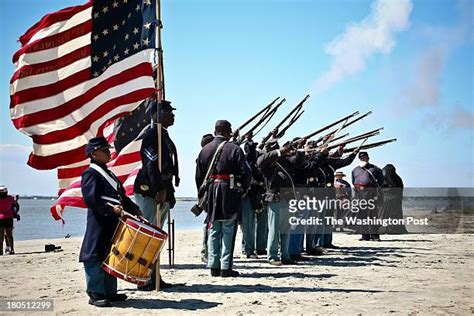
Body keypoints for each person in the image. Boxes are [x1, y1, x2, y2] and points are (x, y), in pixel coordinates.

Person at [80, 137, 142, 307]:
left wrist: (134, 208)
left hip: (113, 221)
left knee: (110, 254)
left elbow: (121, 196)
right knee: (94, 255)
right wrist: (110, 209)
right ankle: (95, 293)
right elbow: (91, 199)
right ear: (94, 154)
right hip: (99, 221)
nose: (109, 152)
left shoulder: (109, 173)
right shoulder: (90, 173)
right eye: (105, 150)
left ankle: (109, 292)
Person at [196, 120, 251, 277]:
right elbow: (246, 172)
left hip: (212, 190)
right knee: (228, 228)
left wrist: (202, 196)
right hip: (229, 189)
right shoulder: (234, 149)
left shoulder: (205, 149)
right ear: (228, 131)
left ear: (215, 132)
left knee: (214, 228)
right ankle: (226, 266)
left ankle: (214, 265)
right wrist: (244, 189)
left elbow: (198, 176)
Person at [133, 100, 178, 290]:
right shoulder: (153, 134)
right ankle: (144, 278)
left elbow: (167, 167)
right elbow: (151, 166)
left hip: (162, 189)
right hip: (150, 190)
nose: (173, 115)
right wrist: (159, 189)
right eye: (169, 112)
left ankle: (154, 276)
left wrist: (170, 192)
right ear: (157, 115)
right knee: (148, 235)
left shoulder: (163, 135)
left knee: (156, 236)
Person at [257, 138, 305, 265]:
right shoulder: (266, 162)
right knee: (273, 230)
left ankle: (285, 255)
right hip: (275, 197)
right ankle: (272, 256)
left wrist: (300, 148)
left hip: (288, 197)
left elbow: (298, 162)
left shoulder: (285, 160)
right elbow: (260, 160)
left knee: (286, 229)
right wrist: (279, 152)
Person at [351, 151, 384, 241]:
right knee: (362, 215)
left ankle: (375, 236)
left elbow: (381, 181)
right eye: (361, 158)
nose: (363, 159)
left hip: (371, 193)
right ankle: (364, 235)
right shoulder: (355, 170)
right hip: (359, 194)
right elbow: (353, 181)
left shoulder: (375, 169)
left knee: (373, 215)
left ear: (368, 158)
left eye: (364, 157)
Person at [379, 164, 408, 234]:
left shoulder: (396, 179)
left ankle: (392, 229)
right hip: (394, 201)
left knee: (392, 215)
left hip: (392, 201)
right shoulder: (397, 179)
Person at [199, 133, 214, 263]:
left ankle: (207, 250)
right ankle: (205, 250)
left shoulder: (203, 156)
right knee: (209, 223)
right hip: (209, 194)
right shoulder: (207, 157)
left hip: (208, 194)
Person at [0, 186, 20, 255]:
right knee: (9, 235)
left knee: (1, 236)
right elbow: (16, 199)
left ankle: (0, 251)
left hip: (0, 218)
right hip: (9, 218)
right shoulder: (10, 198)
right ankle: (12, 250)